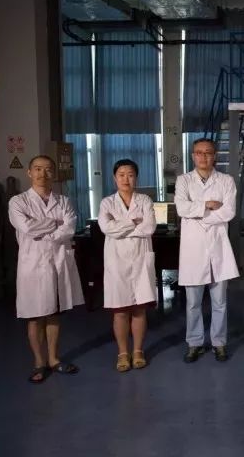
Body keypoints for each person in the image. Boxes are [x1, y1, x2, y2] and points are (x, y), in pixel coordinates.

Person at [8, 155, 84, 383]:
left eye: (48, 169)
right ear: (29, 172)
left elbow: (69, 229)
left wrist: (44, 230)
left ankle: (53, 359)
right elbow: (26, 227)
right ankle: (38, 362)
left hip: (57, 262)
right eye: (38, 169)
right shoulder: (18, 202)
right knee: (34, 315)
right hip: (32, 265)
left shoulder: (64, 201)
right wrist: (53, 224)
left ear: (54, 173)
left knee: (53, 313)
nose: (43, 173)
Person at [175, 138, 239, 363]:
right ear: (193, 156)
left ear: (215, 155)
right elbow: (181, 208)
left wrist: (197, 214)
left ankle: (219, 343)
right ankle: (194, 343)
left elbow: (229, 212)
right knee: (193, 302)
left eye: (208, 152)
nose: (203, 157)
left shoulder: (226, 181)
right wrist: (208, 205)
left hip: (218, 248)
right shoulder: (183, 180)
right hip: (193, 250)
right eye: (199, 153)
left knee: (219, 301)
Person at [98, 159, 157, 372]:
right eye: (121, 175)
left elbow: (149, 227)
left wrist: (120, 226)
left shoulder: (145, 200)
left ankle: (138, 350)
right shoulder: (107, 203)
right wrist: (133, 222)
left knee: (140, 309)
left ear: (136, 178)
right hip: (117, 262)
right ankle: (123, 352)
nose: (126, 179)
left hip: (140, 260)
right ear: (114, 178)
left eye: (130, 175)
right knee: (120, 311)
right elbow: (106, 228)